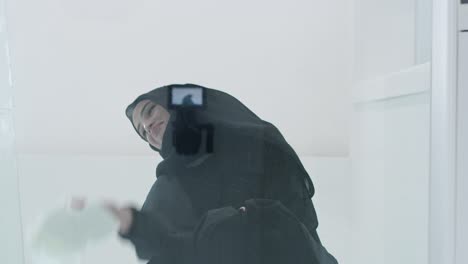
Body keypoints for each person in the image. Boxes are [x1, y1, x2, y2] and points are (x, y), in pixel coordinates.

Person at [76, 84, 338, 264]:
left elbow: (209, 98)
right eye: (143, 132)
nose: (147, 126)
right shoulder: (173, 180)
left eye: (150, 111)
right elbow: (166, 245)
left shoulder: (242, 137)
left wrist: (175, 95)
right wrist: (129, 222)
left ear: (172, 105)